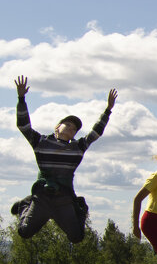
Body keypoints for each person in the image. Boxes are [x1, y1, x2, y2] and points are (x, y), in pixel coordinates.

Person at [13, 75, 117, 242]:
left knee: (76, 237)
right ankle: (25, 204)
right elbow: (23, 126)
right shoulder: (41, 142)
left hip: (63, 199)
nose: (71, 128)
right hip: (42, 199)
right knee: (24, 232)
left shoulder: (77, 147)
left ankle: (80, 208)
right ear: (57, 128)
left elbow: (95, 133)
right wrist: (21, 98)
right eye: (67, 125)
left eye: (74, 129)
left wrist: (108, 110)